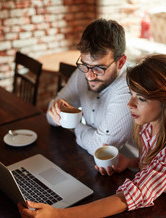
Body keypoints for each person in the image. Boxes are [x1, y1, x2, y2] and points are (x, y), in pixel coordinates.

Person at [18, 54, 166, 218]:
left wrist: (57, 217)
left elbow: (133, 195)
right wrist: (132, 162)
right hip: (165, 198)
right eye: (131, 94)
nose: (130, 104)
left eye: (141, 98)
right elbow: (159, 164)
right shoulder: (151, 123)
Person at [46, 19, 134, 156]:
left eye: (99, 68)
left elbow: (100, 149)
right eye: (85, 65)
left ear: (120, 62)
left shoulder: (129, 89)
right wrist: (55, 109)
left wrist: (74, 125)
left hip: (127, 170)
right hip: (86, 159)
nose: (89, 76)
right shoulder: (84, 72)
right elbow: (50, 117)